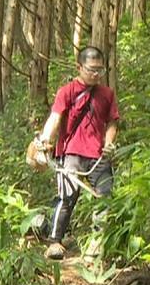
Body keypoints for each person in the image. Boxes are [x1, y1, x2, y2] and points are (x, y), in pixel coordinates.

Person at [30, 47, 119, 260]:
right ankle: (54, 242)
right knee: (67, 198)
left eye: (100, 70)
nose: (96, 74)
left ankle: (97, 245)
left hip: (99, 156)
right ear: (79, 67)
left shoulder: (107, 94)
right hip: (71, 154)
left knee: (105, 197)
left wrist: (109, 143)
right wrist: (45, 140)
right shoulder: (67, 91)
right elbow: (55, 118)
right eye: (91, 69)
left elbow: (112, 121)